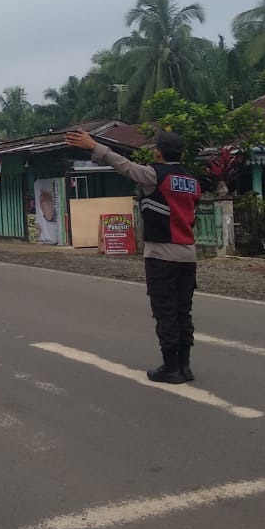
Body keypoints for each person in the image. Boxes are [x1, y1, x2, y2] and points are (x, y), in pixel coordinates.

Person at [65, 128, 202, 383]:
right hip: (188, 256)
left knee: (165, 311)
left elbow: (124, 165)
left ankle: (171, 367)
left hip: (162, 254)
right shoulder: (193, 181)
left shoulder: (154, 175)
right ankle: (184, 366)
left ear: (158, 152)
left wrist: (94, 146)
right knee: (183, 311)